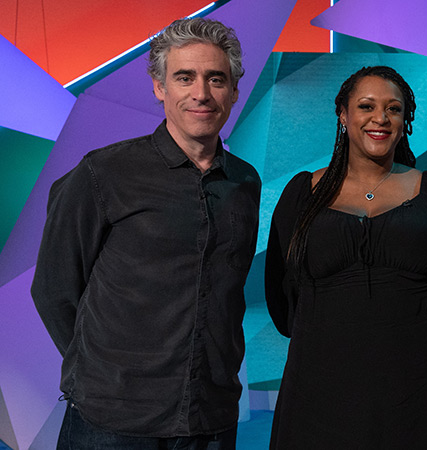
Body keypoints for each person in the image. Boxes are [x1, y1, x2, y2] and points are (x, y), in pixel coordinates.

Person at [31, 17, 260, 448]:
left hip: (209, 415)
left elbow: (227, 295)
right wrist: (104, 373)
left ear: (232, 90)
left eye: (216, 78)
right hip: (112, 420)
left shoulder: (245, 183)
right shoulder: (104, 172)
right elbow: (54, 289)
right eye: (184, 77)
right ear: (159, 88)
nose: (201, 93)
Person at [265, 65, 427, 449]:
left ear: (405, 121)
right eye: (366, 106)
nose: (381, 118)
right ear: (343, 114)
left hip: (418, 388)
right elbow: (282, 294)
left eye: (394, 109)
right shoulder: (302, 193)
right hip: (319, 391)